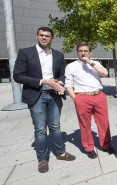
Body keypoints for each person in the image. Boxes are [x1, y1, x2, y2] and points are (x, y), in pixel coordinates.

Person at [13, 27, 76, 173]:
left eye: (47, 36)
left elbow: (62, 74)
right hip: (37, 95)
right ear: (36, 36)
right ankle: (42, 159)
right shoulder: (25, 53)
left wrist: (59, 83)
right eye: (41, 35)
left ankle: (60, 153)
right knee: (40, 130)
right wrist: (44, 81)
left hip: (54, 95)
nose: (44, 38)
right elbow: (18, 76)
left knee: (55, 126)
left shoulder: (59, 55)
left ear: (52, 38)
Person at [65, 42, 115, 159]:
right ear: (77, 52)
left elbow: (105, 73)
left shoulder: (95, 63)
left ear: (90, 52)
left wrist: (89, 62)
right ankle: (89, 148)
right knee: (85, 125)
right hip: (82, 97)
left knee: (103, 122)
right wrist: (76, 99)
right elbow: (68, 85)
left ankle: (105, 145)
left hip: (98, 96)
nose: (83, 53)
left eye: (86, 51)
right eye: (80, 51)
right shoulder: (71, 66)